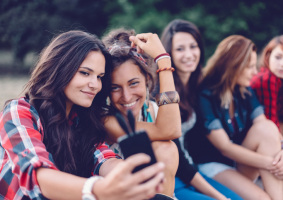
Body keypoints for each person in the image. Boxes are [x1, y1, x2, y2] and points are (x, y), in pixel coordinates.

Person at [0, 30, 165, 200]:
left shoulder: (84, 120)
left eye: (100, 77)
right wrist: (99, 189)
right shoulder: (19, 112)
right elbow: (38, 176)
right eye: (85, 73)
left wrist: (132, 177)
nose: (95, 85)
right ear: (60, 69)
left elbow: (104, 159)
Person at [186, 35, 283, 200]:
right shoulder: (205, 94)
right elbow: (224, 147)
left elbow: (265, 125)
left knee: (267, 128)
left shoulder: (243, 90)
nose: (255, 72)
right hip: (213, 165)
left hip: (238, 163)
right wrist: (273, 164)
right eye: (249, 67)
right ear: (233, 66)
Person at [159, 19, 242, 200]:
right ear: (169, 52)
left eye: (193, 46)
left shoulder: (198, 84)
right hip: (174, 176)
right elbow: (177, 155)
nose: (188, 54)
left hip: (193, 170)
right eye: (180, 49)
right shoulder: (164, 90)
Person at [102, 28, 181, 199]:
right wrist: (163, 59)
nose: (127, 96)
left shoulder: (154, 109)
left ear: (146, 78)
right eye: (115, 88)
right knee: (166, 149)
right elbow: (171, 130)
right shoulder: (105, 120)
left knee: (166, 149)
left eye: (133, 83)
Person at [251, 35, 283, 185]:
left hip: (277, 145)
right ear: (268, 56)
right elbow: (270, 126)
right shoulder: (267, 79)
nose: (282, 64)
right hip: (260, 147)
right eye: (278, 57)